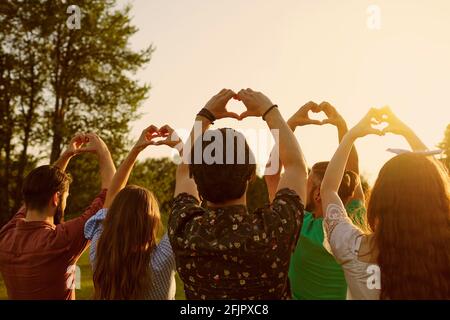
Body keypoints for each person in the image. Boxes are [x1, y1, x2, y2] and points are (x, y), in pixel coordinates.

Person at [167, 88, 307, 300]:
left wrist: (203, 117)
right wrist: (270, 111)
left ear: (196, 178)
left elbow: (184, 171)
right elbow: (296, 166)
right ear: (251, 174)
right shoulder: (274, 229)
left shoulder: (184, 228)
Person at [320, 106, 450, 299]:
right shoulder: (443, 252)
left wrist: (350, 136)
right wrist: (407, 132)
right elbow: (436, 183)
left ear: (380, 198)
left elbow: (328, 189)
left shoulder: (352, 248)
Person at [265, 101, 367, 300]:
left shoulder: (298, 226)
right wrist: (343, 129)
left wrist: (290, 125)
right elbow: (352, 173)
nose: (302, 186)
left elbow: (271, 174)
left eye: (308, 182)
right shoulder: (354, 221)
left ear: (318, 195)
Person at [0, 133, 115, 300]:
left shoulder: (6, 235)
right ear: (56, 198)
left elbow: (41, 189)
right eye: (66, 196)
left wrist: (66, 156)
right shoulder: (60, 241)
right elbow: (110, 193)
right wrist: (104, 152)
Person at [84, 125, 176, 300]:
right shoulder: (162, 260)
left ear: (114, 218)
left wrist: (136, 149)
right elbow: (188, 196)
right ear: (152, 221)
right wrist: (180, 147)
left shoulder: (99, 253)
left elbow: (112, 193)